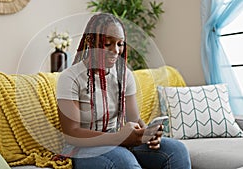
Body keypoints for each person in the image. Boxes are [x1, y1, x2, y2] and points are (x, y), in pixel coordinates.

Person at [56, 13, 191, 169]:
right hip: (84, 148)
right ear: (92, 42)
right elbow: (72, 134)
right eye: (108, 43)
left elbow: (134, 118)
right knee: (124, 162)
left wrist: (147, 133)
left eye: (120, 44)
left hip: (118, 141)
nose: (116, 50)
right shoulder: (70, 77)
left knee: (177, 151)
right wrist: (118, 138)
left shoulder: (124, 74)